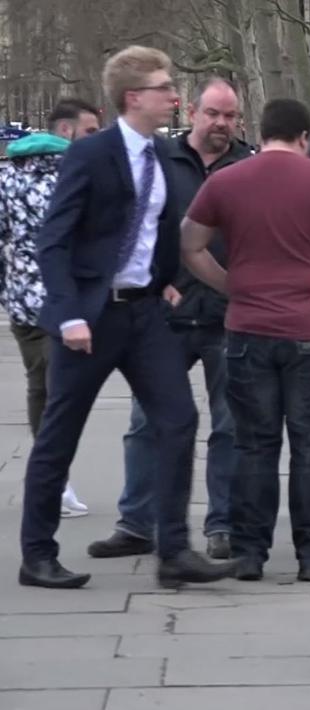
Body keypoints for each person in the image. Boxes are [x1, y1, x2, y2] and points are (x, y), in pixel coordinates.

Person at [19, 46, 237, 590]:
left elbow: (160, 225)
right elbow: (54, 241)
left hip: (144, 316)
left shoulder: (163, 155)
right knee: (59, 435)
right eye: (165, 88)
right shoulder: (91, 154)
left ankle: (174, 551)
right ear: (133, 97)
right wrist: (68, 315)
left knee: (178, 418)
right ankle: (37, 555)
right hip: (89, 321)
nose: (174, 97)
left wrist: (162, 277)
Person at [180, 98, 310, 583]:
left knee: (254, 444)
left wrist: (230, 285)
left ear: (260, 131)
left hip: (247, 328)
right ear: (305, 138)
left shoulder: (227, 181)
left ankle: (250, 552)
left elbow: (190, 244)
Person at [89, 77, 253, 562]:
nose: (221, 124)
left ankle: (221, 524)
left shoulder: (248, 167)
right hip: (165, 316)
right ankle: (137, 523)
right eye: (213, 114)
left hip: (228, 317)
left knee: (230, 427)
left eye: (230, 116)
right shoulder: (160, 161)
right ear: (193, 112)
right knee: (146, 424)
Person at [0, 98, 101, 521]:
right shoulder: (70, 178)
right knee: (57, 391)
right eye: (91, 132)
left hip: (22, 303)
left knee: (41, 385)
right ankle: (52, 481)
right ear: (65, 132)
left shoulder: (5, 178)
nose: (97, 140)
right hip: (62, 302)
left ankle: (53, 479)